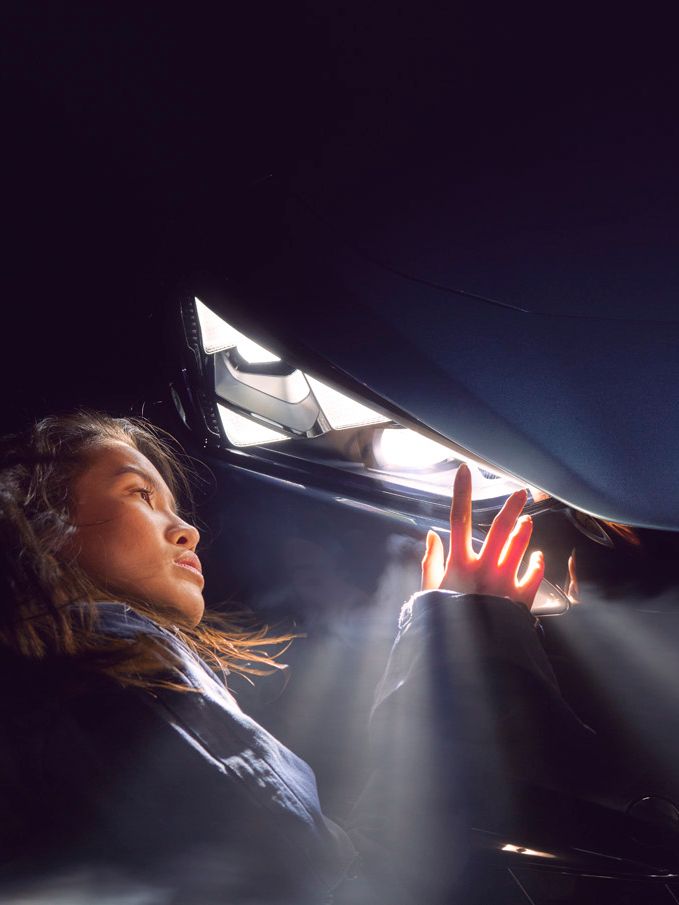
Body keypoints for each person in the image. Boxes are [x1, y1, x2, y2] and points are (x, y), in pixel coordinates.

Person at [0, 408, 626, 904]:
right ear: (42, 526)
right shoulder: (112, 672)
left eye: (177, 507)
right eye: (139, 494)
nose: (186, 529)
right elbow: (347, 885)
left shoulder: (67, 688)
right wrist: (460, 629)